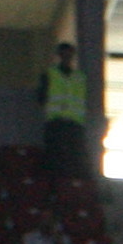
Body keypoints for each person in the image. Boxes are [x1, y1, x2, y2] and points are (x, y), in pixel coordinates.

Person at [37, 40, 88, 179]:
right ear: (59, 55)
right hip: (56, 123)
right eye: (64, 54)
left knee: (75, 158)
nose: (67, 57)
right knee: (55, 157)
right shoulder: (49, 74)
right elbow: (41, 98)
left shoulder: (80, 78)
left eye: (69, 54)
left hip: (74, 124)